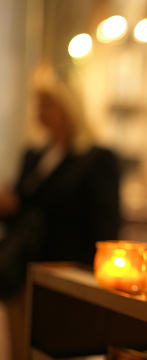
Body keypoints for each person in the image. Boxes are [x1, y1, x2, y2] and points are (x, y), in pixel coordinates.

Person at [0, 67, 122, 360]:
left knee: (57, 351)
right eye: (38, 104)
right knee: (20, 347)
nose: (39, 111)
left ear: (68, 107)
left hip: (67, 275)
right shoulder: (34, 155)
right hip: (23, 272)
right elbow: (24, 216)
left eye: (47, 104)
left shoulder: (96, 159)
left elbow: (106, 225)